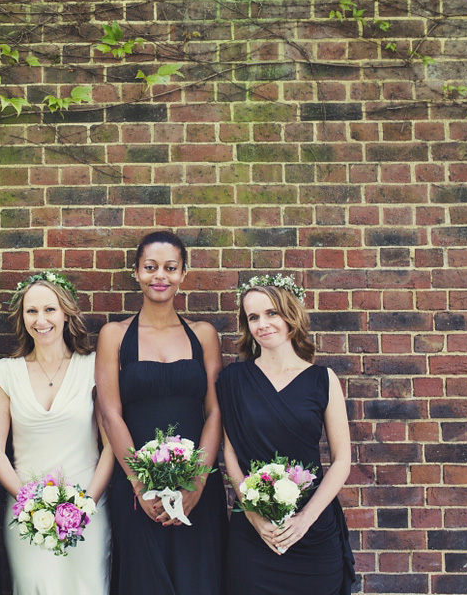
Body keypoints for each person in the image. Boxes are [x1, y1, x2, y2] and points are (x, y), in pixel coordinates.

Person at [95, 230, 227, 595]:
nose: (160, 276)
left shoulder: (203, 335)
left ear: (184, 273)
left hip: (197, 485)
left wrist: (197, 484)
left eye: (170, 268)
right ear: (136, 271)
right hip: (136, 487)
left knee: (197, 580)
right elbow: (109, 412)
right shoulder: (115, 335)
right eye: (150, 267)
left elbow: (215, 412)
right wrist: (141, 485)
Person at [217, 274, 355, 595]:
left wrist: (305, 519)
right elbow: (230, 454)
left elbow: (342, 460)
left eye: (271, 313)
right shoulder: (233, 380)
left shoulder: (323, 379)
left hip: (313, 529)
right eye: (253, 317)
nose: (262, 324)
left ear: (289, 315)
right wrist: (254, 518)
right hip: (254, 534)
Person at [0, 271, 113, 594]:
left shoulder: (91, 366)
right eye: (32, 311)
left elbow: (110, 445)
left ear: (66, 314)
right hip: (27, 512)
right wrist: (28, 504)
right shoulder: (6, 371)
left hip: (88, 508)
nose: (40, 320)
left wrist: (86, 505)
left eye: (49, 310)